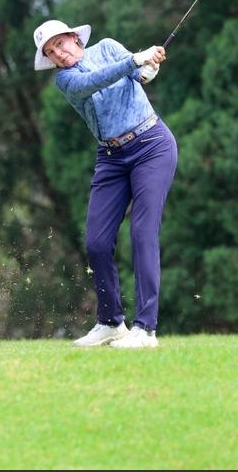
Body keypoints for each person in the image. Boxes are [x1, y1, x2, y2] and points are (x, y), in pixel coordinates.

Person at [32, 19, 178, 349]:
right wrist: (135, 60)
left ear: (74, 38)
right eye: (52, 52)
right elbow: (98, 80)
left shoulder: (109, 47)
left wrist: (149, 65)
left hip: (152, 145)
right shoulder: (66, 80)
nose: (59, 53)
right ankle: (111, 322)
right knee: (97, 242)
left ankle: (146, 330)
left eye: (61, 43)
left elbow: (139, 75)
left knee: (142, 233)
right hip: (111, 158)